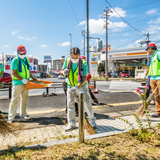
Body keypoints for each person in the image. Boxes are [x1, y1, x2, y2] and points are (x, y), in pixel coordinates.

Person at [60, 47, 96, 131]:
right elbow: (61, 72)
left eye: (76, 57)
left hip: (81, 85)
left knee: (87, 103)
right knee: (70, 105)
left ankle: (92, 121)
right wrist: (63, 72)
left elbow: (84, 78)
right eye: (73, 57)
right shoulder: (67, 61)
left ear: (79, 55)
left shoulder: (83, 63)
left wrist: (77, 86)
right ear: (70, 55)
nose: (75, 59)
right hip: (70, 86)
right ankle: (71, 123)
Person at [8, 45, 36, 123]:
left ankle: (23, 114)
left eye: (24, 53)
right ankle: (11, 118)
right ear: (17, 52)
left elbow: (28, 71)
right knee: (14, 100)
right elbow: (13, 72)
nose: (23, 55)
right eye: (21, 53)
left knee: (24, 100)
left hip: (26, 83)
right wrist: (22, 79)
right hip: (18, 83)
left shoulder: (26, 59)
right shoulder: (15, 60)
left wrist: (33, 78)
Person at [147, 43, 160, 117]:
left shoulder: (158, 54)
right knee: (156, 96)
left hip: (159, 78)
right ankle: (158, 112)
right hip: (153, 78)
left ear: (150, 48)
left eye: (147, 49)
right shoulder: (152, 57)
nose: (147, 51)